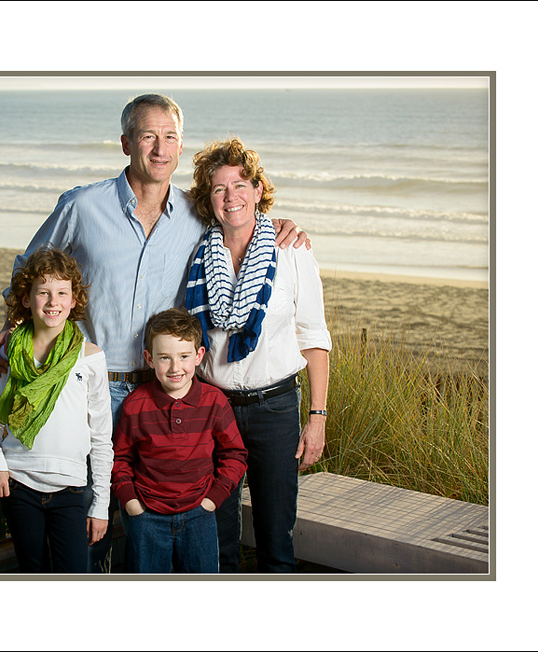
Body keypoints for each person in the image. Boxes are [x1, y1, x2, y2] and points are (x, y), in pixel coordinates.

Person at [0, 93, 308, 572]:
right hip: (92, 386)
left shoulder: (198, 215)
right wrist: (10, 327)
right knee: (90, 522)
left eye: (171, 137)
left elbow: (238, 217)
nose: (161, 148)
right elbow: (29, 270)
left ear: (181, 148)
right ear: (125, 143)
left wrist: (280, 225)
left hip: (164, 394)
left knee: (155, 521)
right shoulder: (81, 206)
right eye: (148, 136)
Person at [185, 138, 331, 573]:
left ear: (257, 189)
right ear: (207, 199)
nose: (231, 196)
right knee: (217, 536)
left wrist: (318, 417)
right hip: (215, 408)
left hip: (276, 408)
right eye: (219, 188)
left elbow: (314, 335)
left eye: (241, 184)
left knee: (276, 536)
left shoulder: (291, 250)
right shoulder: (196, 254)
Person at [0, 247, 113, 573]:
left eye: (62, 293)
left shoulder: (90, 357)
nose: (53, 302)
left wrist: (101, 506)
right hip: (18, 484)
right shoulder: (11, 353)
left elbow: (101, 436)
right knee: (32, 573)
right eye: (43, 292)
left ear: (73, 300)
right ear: (26, 299)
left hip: (70, 489)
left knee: (73, 574)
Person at [111, 308, 247, 573]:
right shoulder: (135, 405)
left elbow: (235, 455)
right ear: (149, 359)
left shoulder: (214, 402)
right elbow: (120, 459)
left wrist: (212, 500)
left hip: (200, 515)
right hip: (147, 517)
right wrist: (131, 503)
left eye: (184, 357)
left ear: (198, 356)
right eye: (165, 358)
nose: (175, 368)